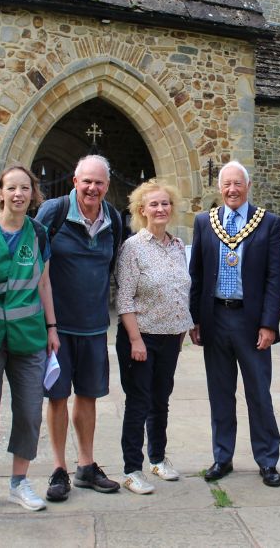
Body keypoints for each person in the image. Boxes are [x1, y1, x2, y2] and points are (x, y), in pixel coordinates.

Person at [0, 165, 60, 515]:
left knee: (30, 411)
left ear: (33, 194)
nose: (19, 194)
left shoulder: (39, 234)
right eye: (11, 188)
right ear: (0, 193)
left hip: (29, 335)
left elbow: (44, 283)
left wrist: (52, 328)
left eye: (25, 188)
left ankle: (19, 482)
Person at [189, 161, 280, 487]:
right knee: (220, 393)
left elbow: (275, 277)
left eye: (237, 184)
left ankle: (268, 460)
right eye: (227, 184)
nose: (232, 190)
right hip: (215, 317)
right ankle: (222, 456)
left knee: (259, 393)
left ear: (248, 185)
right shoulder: (205, 222)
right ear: (220, 188)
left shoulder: (268, 223)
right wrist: (196, 319)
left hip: (250, 320)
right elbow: (197, 275)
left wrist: (269, 324)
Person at [36, 155, 124, 501]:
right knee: (57, 397)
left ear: (107, 185)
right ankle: (59, 469)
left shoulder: (113, 219)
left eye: (99, 182)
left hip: (93, 327)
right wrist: (45, 325)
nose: (93, 188)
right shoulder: (53, 214)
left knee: (88, 396)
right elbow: (36, 270)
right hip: (57, 328)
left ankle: (86, 465)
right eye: (87, 181)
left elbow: (112, 266)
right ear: (75, 181)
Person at [114, 180, 193, 494]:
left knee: (161, 401)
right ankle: (132, 469)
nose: (160, 209)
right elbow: (125, 299)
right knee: (138, 402)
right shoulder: (133, 247)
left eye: (165, 203)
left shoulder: (177, 246)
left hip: (171, 338)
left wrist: (184, 323)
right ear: (141, 210)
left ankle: (158, 458)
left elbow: (181, 288)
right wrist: (135, 340)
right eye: (154, 205)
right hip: (141, 339)